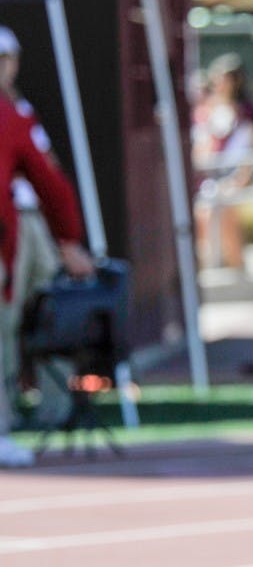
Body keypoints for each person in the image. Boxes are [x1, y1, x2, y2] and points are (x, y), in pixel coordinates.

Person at [0, 25, 94, 467]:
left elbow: (47, 175)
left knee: (44, 310)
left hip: (24, 224)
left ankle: (53, 410)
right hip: (11, 226)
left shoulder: (17, 111)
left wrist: (66, 237)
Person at [191, 52, 253, 270]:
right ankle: (209, 266)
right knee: (203, 216)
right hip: (210, 176)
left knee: (225, 216)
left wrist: (242, 178)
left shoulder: (248, 112)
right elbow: (204, 143)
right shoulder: (208, 109)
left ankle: (237, 267)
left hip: (234, 177)